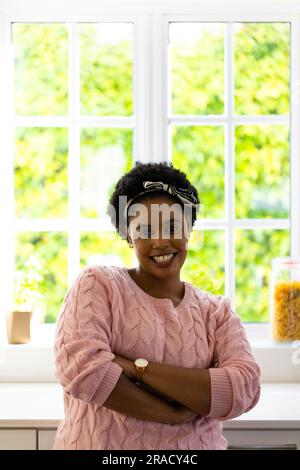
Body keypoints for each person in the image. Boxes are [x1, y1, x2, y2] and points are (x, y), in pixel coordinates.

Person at [52, 162, 261, 450]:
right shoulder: (98, 285)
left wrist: (135, 368)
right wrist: (171, 412)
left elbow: (242, 390)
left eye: (173, 226)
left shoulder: (217, 313)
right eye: (145, 230)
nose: (161, 241)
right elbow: (83, 370)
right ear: (128, 235)